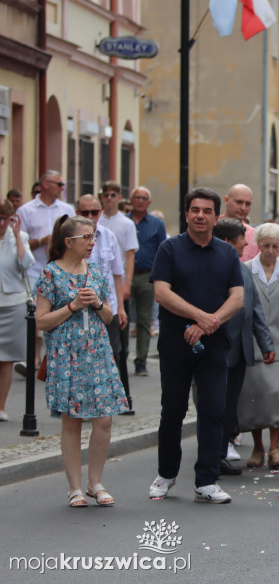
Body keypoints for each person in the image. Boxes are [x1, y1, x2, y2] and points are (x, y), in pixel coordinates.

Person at [148, 188, 244, 504]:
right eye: (194, 210)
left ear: (217, 217)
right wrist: (200, 317)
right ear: (186, 213)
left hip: (215, 345)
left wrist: (211, 323)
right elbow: (162, 293)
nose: (200, 215)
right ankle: (166, 473)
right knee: (172, 410)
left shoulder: (227, 253)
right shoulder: (169, 249)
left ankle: (206, 480)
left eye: (206, 211)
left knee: (213, 410)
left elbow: (237, 297)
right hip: (176, 342)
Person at [36, 215, 128, 506]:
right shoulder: (50, 273)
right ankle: (75, 487)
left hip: (97, 352)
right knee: (72, 421)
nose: (92, 243)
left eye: (93, 237)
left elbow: (109, 316)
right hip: (67, 355)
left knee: (104, 420)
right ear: (68, 242)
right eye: (86, 238)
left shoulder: (96, 272)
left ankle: (95, 482)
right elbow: (41, 321)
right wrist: (73, 305)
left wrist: (98, 304)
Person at [213, 217, 274, 476]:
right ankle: (212, 455)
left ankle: (221, 450)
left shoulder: (244, 270)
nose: (246, 244)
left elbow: (255, 309)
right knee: (215, 403)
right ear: (228, 242)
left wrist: (266, 342)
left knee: (230, 404)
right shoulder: (212, 269)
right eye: (242, 240)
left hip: (240, 350)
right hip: (217, 348)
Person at [238, 223, 279, 469]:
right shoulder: (245, 270)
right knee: (253, 397)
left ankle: (275, 447)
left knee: (278, 397)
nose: (271, 250)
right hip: (252, 343)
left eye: (276, 246)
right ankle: (258, 447)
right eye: (266, 245)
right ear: (257, 245)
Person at [76, 195, 127, 377]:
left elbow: (117, 274)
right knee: (81, 359)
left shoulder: (108, 236)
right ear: (77, 213)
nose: (90, 216)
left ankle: (111, 401)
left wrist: (121, 307)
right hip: (78, 308)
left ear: (100, 212)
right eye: (85, 212)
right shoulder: (71, 238)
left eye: (94, 212)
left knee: (111, 356)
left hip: (107, 307)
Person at [98, 181, 138, 408]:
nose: (109, 198)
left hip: (118, 280)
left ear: (119, 197)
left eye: (113, 194)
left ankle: (120, 387)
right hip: (102, 284)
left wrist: (127, 284)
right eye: (106, 195)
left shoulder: (126, 223)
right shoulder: (97, 220)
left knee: (119, 340)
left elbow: (129, 256)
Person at [129, 187, 167, 376]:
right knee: (122, 318)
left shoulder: (157, 224)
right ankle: (119, 357)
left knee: (144, 320)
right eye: (137, 197)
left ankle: (141, 361)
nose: (140, 201)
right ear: (131, 200)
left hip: (147, 275)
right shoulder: (124, 221)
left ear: (149, 203)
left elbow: (162, 251)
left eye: (144, 198)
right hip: (126, 274)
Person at [0, 201, 32, 420]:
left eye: (5, 218)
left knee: (6, 359)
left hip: (13, 303)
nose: (1, 223)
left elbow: (26, 262)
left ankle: (0, 407)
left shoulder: (20, 238)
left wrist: (18, 236)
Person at [15, 170, 75, 286]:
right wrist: (40, 242)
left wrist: (58, 244)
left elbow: (75, 239)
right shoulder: (25, 211)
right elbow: (18, 245)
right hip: (34, 273)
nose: (62, 188)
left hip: (63, 273)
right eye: (59, 184)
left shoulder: (68, 210)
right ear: (46, 184)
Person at [222, 184, 259, 262]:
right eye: (239, 202)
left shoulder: (255, 237)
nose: (243, 208)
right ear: (226, 200)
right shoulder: (210, 229)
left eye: (248, 204)